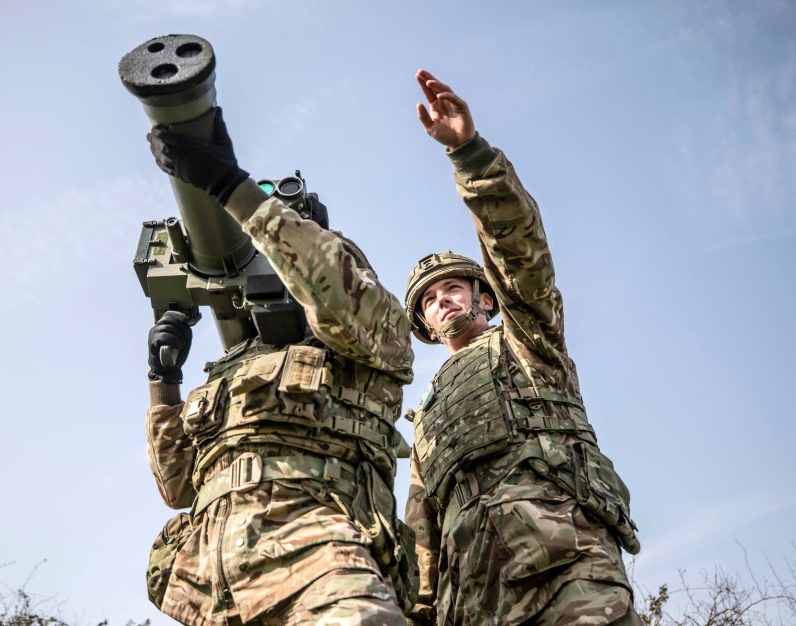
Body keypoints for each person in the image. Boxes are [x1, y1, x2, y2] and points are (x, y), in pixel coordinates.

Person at [142, 106, 418, 625]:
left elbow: (327, 282)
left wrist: (232, 187)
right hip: (205, 583)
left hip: (320, 555)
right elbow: (177, 487)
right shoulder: (233, 369)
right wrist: (164, 382)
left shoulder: (374, 336)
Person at [403, 69, 642, 626]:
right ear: (424, 324)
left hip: (566, 564)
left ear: (484, 299)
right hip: (472, 599)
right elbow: (422, 526)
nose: (442, 301)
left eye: (453, 287)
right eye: (429, 300)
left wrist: (469, 157)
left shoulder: (528, 340)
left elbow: (520, 255)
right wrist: (418, 608)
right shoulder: (425, 414)